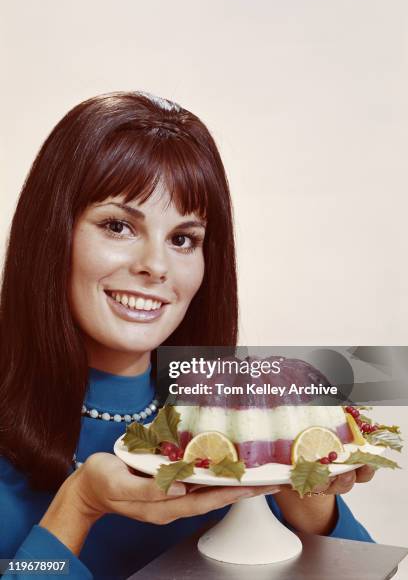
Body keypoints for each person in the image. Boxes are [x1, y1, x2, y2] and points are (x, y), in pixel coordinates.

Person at [0, 92, 375, 579]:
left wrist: (307, 499)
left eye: (182, 239)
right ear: (54, 233)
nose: (156, 266)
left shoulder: (224, 426)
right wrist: (79, 505)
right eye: (118, 226)